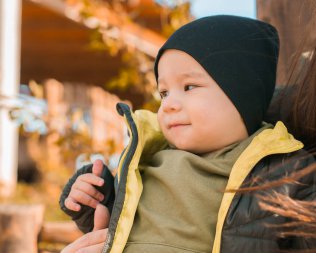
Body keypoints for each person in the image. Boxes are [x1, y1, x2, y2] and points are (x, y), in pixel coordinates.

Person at [60, 15, 316, 253]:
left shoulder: (284, 169)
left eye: (189, 86)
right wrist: (93, 200)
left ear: (242, 97)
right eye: (164, 93)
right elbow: (117, 225)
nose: (169, 104)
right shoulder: (149, 158)